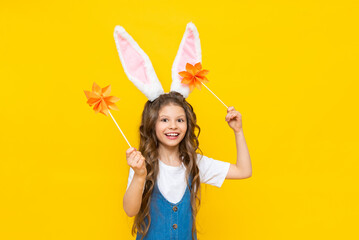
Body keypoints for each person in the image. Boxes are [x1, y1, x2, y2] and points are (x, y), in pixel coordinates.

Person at [123, 92, 252, 240]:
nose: (173, 126)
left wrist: (238, 131)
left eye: (180, 120)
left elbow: (244, 171)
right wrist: (139, 176)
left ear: (188, 124)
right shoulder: (141, 164)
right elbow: (130, 210)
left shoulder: (195, 162)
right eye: (164, 120)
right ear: (152, 123)